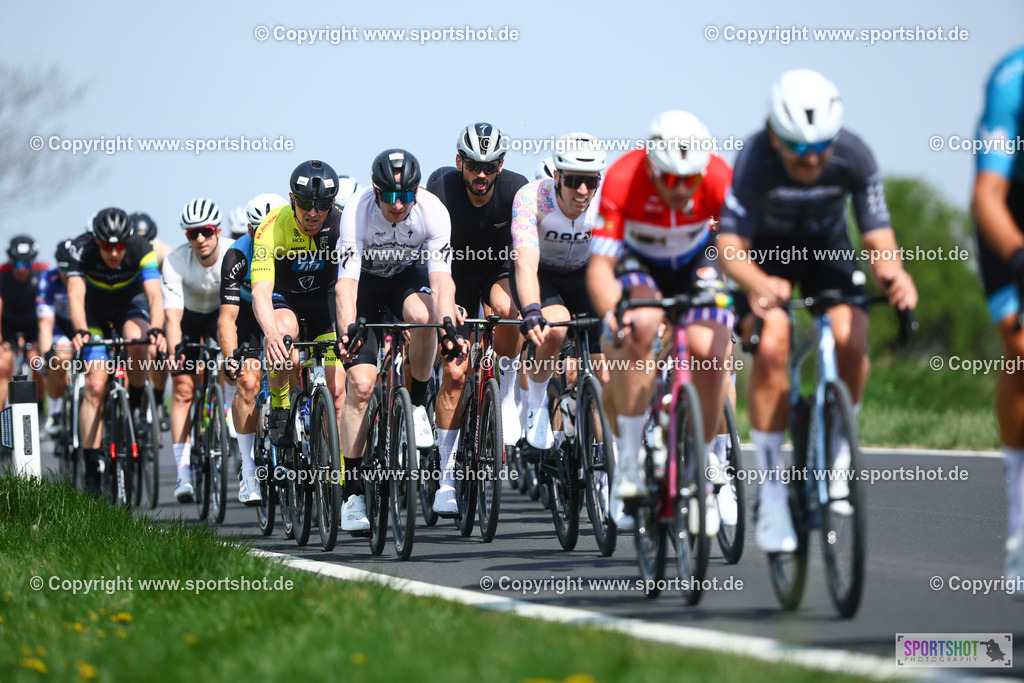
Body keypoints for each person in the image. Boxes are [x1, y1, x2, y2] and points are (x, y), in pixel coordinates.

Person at [717, 69, 917, 552]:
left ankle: (839, 453)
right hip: (762, 258)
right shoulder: (755, 158)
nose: (813, 159)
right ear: (775, 136)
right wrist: (758, 283)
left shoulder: (854, 153)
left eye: (821, 148)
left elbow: (876, 233)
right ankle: (770, 490)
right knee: (774, 346)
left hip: (827, 251)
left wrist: (894, 274)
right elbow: (728, 245)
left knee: (852, 334)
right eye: (799, 149)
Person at [587, 113, 734, 535]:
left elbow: (741, 248)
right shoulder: (623, 177)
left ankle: (703, 464)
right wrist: (614, 311)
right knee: (642, 324)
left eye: (690, 180)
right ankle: (630, 460)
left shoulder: (720, 177)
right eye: (669, 180)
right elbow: (600, 267)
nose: (681, 190)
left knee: (713, 347)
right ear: (653, 167)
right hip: (640, 260)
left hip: (695, 258)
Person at [335, 148, 462, 526]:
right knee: (360, 384)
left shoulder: (433, 210)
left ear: (416, 191)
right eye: (389, 196)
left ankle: (419, 406)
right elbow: (344, 286)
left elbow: (440, 281)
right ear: (375, 192)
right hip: (364, 286)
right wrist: (347, 333)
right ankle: (352, 493)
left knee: (426, 318)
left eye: (405, 195)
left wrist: (448, 326)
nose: (397, 205)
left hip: (404, 281)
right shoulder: (356, 212)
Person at [426, 123, 528, 514]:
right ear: (459, 163)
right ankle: (446, 477)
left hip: (496, 270)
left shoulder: (516, 190)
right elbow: (433, 261)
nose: (481, 174)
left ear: (501, 166)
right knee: (454, 373)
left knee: (510, 311)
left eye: (490, 166)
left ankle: (502, 394)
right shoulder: (441, 190)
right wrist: (447, 307)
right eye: (472, 165)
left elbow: (525, 253)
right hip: (453, 276)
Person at [250, 160, 346, 519]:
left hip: (325, 303)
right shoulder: (272, 226)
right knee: (284, 340)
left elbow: (353, 283)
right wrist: (271, 333)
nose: (314, 213)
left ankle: (337, 474)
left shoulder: (341, 224)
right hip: (285, 300)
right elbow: (260, 291)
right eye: (306, 204)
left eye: (323, 206)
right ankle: (279, 402)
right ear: (293, 199)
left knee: (338, 394)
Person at [971, 45, 1024, 596]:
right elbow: (988, 195)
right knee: (1021, 347)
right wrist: (1016, 254)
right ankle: (1018, 521)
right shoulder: (1011, 79)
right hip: (1010, 211)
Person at [67, 208, 167, 494]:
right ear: (96, 241)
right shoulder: (81, 248)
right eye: (107, 246)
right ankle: (91, 464)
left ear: (128, 240)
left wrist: (157, 329)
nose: (114, 252)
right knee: (96, 387)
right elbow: (75, 294)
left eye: (119, 245)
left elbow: (153, 294)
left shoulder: (140, 246)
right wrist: (80, 330)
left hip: (129, 304)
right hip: (94, 312)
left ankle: (135, 406)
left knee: (139, 342)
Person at [220, 192, 288, 504]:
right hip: (249, 316)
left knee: (293, 363)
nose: (263, 236)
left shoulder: (293, 245)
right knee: (247, 382)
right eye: (257, 229)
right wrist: (230, 357)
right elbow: (227, 317)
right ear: (248, 231)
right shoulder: (237, 256)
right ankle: (248, 471)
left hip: (284, 310)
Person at [163, 198, 232, 502]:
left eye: (205, 231)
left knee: (232, 363)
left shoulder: (233, 251)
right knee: (182, 390)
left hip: (222, 314)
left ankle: (227, 412)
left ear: (217, 230)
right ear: (186, 237)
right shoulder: (176, 261)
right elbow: (172, 316)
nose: (200, 239)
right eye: (193, 234)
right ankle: (183, 473)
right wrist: (175, 349)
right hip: (189, 318)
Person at [131, 211, 172, 431]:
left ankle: (157, 399)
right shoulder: (124, 253)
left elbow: (169, 292)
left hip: (156, 303)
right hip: (132, 305)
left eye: (147, 241)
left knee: (160, 350)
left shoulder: (163, 252)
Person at [0, 236, 50, 411]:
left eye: (26, 264)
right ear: (11, 262)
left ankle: (40, 408)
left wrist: (42, 341)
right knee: (3, 364)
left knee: (37, 361)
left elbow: (47, 309)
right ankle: (2, 414)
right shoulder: (2, 273)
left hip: (33, 323)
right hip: (8, 322)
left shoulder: (43, 272)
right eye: (17, 264)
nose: (22, 269)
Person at [36, 239, 76, 435]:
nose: (67, 274)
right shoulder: (48, 279)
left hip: (84, 325)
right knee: (59, 359)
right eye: (63, 269)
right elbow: (45, 323)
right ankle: (55, 413)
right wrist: (46, 355)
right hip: (60, 328)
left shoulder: (87, 276)